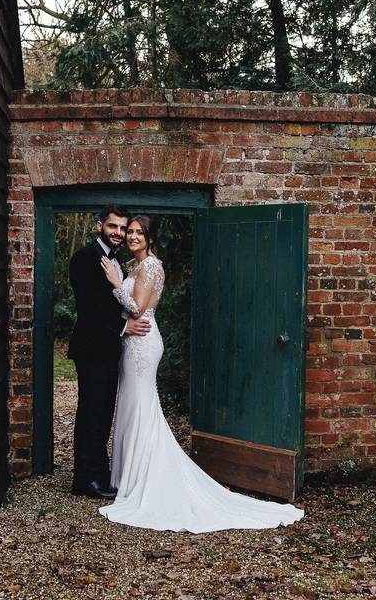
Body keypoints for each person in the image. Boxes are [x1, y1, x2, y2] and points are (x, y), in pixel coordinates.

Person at [97, 213, 304, 532]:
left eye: (139, 233)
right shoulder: (134, 265)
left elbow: (138, 308)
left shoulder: (151, 265)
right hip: (133, 341)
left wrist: (114, 284)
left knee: (140, 407)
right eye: (130, 232)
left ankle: (144, 479)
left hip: (142, 343)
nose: (132, 236)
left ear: (151, 238)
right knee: (133, 406)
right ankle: (129, 477)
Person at [67, 205, 151, 499]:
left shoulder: (117, 262)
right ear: (99, 225)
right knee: (91, 412)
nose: (118, 233)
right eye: (112, 226)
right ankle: (85, 479)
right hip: (91, 349)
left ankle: (99, 475)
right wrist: (123, 328)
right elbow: (89, 308)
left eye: (122, 228)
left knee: (103, 413)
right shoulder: (84, 258)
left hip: (109, 349)